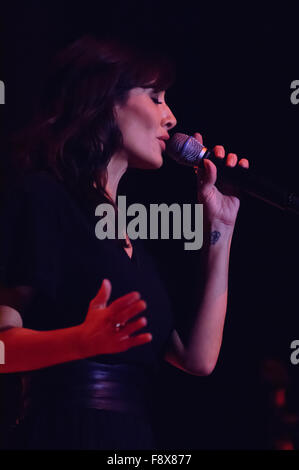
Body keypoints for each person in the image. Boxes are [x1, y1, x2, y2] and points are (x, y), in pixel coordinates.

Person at [0, 34, 249, 450]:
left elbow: (199, 359)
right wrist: (80, 340)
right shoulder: (44, 199)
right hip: (60, 433)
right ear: (105, 99)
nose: (171, 118)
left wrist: (221, 230)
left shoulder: (133, 241)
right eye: (155, 97)